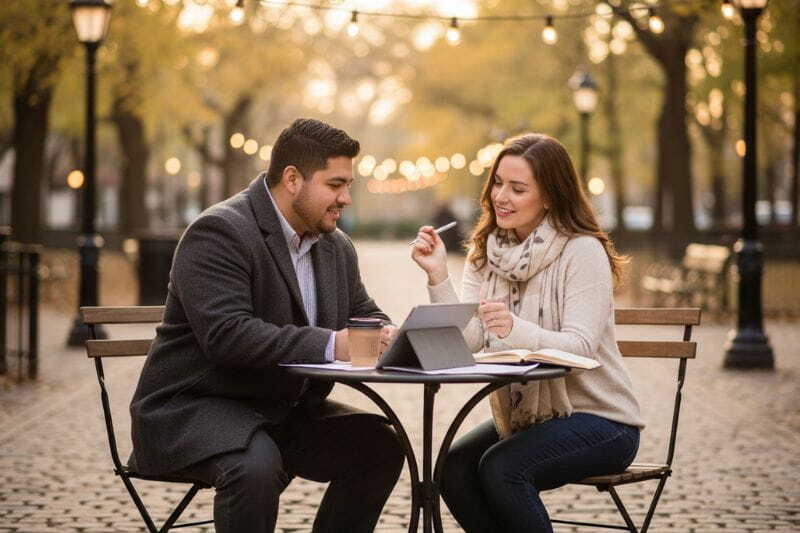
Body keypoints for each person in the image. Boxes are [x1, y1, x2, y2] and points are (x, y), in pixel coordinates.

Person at [130, 118, 404, 533]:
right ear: (292, 179)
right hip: (197, 406)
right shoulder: (219, 232)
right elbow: (228, 336)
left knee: (381, 445)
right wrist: (334, 345)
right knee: (254, 466)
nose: (346, 198)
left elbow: (363, 312)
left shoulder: (334, 246)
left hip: (280, 409)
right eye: (335, 185)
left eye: (349, 185)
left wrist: (387, 333)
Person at [410, 133, 643, 532]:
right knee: (453, 467)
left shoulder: (581, 251)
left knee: (503, 468)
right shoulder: (485, 253)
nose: (502, 196)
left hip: (604, 421)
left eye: (518, 189)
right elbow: (467, 343)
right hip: (528, 419)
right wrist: (437, 277)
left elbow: (582, 348)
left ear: (550, 196)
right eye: (498, 183)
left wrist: (518, 331)